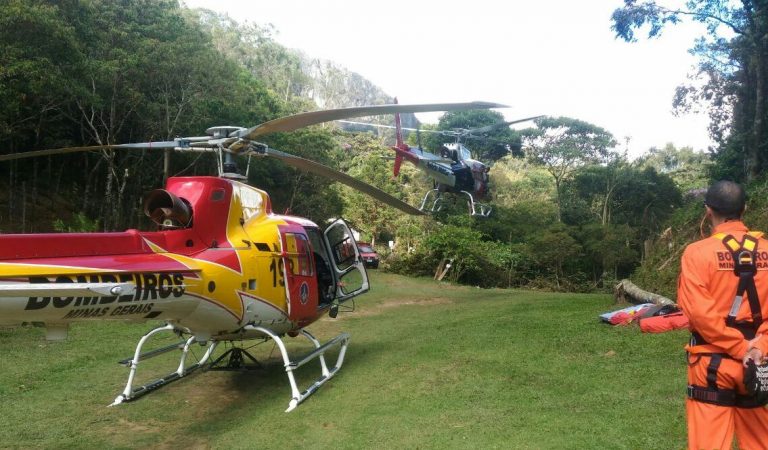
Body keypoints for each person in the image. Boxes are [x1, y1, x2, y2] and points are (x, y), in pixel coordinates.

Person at [678, 180, 768, 449]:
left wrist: (740, 348)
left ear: (708, 210)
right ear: (744, 208)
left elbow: (699, 314)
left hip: (712, 364)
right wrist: (758, 347)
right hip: (759, 363)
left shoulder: (697, 253)